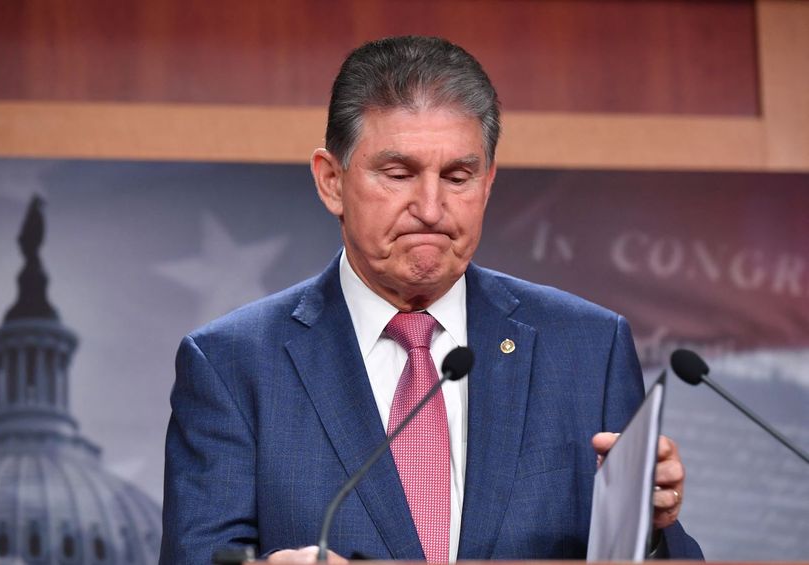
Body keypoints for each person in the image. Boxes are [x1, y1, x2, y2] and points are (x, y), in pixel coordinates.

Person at [160, 36, 703, 563]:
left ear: (488, 183)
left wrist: (654, 531)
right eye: (399, 174)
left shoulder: (588, 348)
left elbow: (646, 554)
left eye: (458, 176)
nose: (431, 206)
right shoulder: (233, 365)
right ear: (331, 182)